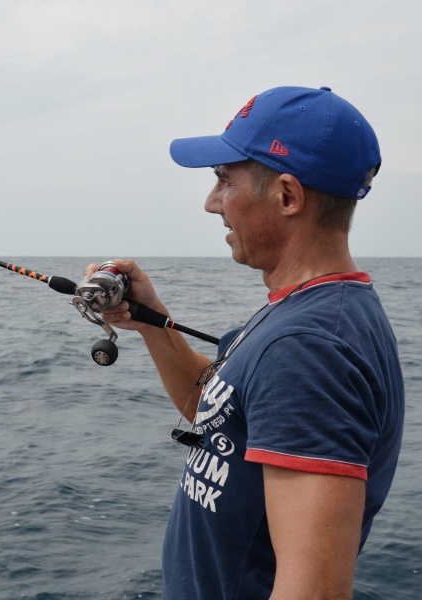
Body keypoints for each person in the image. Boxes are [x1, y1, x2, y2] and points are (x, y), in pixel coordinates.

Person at [90, 86, 404, 599]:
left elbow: (316, 591)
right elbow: (219, 416)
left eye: (222, 180)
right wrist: (153, 322)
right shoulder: (304, 312)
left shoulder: (308, 348)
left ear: (286, 196)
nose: (212, 203)